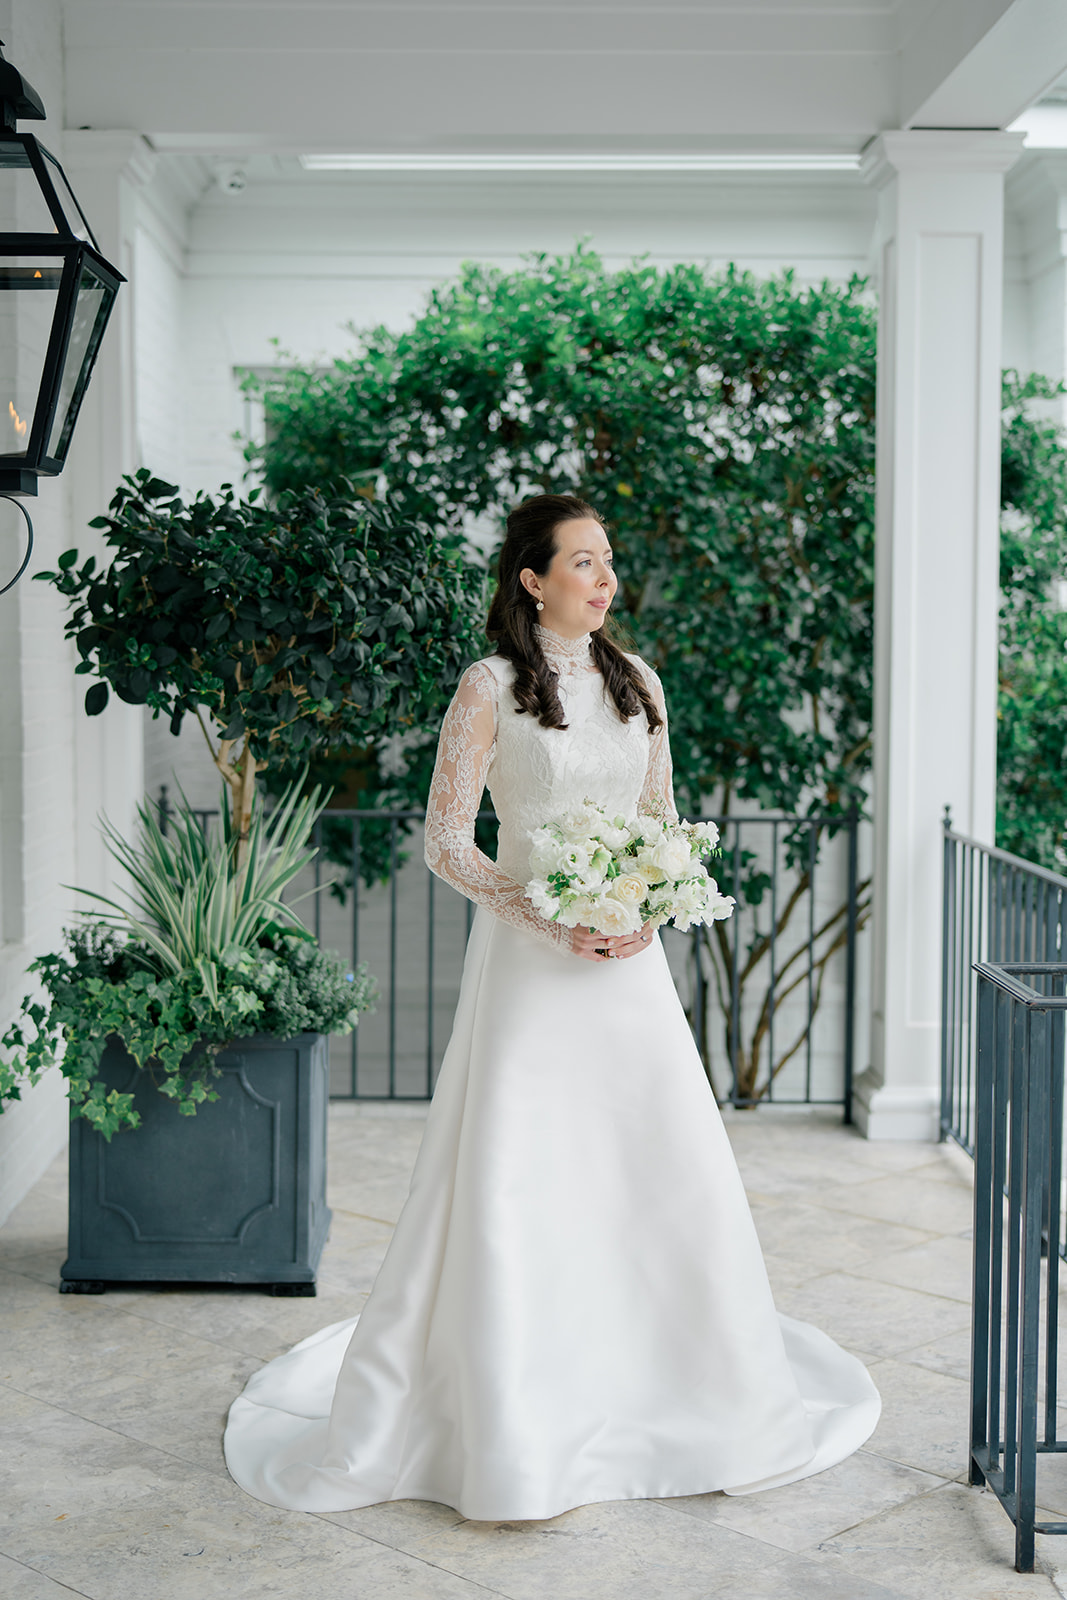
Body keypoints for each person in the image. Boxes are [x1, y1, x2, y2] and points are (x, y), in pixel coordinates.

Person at [223, 493, 880, 1521]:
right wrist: (543, 910)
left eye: (607, 559)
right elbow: (448, 841)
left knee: (653, 1164)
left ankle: (677, 1382)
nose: (603, 576)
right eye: (581, 560)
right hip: (531, 969)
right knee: (522, 1172)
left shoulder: (639, 683)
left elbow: (662, 823)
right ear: (530, 578)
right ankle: (513, 1416)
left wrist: (645, 913)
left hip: (625, 966)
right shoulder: (488, 686)